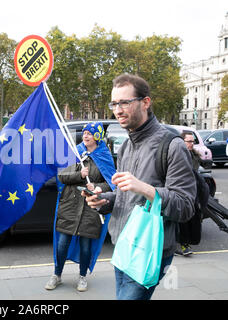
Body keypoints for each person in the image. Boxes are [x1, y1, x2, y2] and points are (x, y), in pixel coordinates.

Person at [84, 74, 196, 300]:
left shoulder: (172, 145)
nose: (118, 110)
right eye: (114, 103)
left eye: (125, 102)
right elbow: (124, 196)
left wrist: (145, 188)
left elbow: (185, 206)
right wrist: (104, 199)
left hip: (149, 250)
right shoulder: (125, 146)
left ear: (145, 102)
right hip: (123, 244)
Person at [45, 122, 116, 292]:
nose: (85, 136)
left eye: (90, 134)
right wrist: (79, 174)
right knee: (62, 244)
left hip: (91, 208)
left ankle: (82, 276)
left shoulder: (104, 156)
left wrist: (98, 187)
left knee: (86, 246)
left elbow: (112, 183)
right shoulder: (74, 152)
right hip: (70, 206)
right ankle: (57, 275)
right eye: (84, 133)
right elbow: (61, 175)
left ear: (97, 136)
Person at [175, 132, 200, 256]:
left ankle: (186, 243)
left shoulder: (194, 156)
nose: (191, 144)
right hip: (179, 191)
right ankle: (183, 245)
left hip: (191, 192)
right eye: (189, 141)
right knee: (181, 220)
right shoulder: (177, 154)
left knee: (191, 219)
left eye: (192, 141)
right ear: (182, 141)